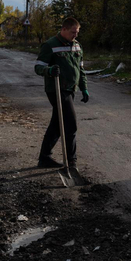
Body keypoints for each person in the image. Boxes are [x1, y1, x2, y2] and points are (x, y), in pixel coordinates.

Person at [34, 17, 89, 169]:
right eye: (73, 32)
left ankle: (44, 158)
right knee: (70, 124)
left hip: (71, 89)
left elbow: (81, 69)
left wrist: (84, 87)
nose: (75, 35)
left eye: (77, 32)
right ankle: (72, 161)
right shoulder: (50, 45)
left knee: (57, 124)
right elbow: (38, 67)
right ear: (64, 29)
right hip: (56, 89)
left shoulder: (77, 46)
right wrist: (49, 70)